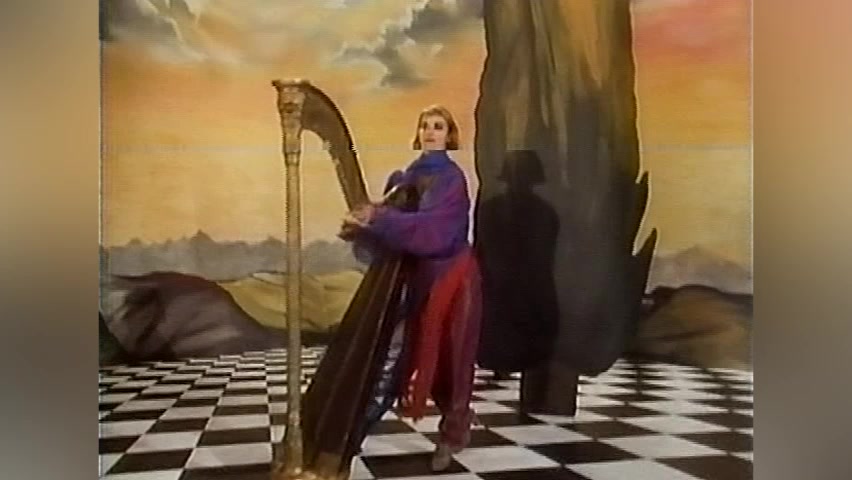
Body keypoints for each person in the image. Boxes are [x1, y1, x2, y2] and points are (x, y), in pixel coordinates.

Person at [339, 105, 483, 472]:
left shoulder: (452, 179)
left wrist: (379, 217)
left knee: (454, 362)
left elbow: (435, 231)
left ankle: (452, 434)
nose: (431, 132)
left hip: (454, 278)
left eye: (439, 126)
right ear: (418, 133)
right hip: (420, 278)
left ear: (449, 136)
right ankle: (354, 432)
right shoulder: (406, 177)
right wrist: (363, 227)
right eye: (425, 126)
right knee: (402, 357)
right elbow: (397, 226)